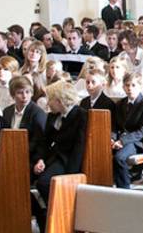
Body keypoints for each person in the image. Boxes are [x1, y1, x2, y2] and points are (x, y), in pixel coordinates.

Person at [31, 80, 88, 226]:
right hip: (51, 157)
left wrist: (71, 175)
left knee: (44, 183)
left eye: (50, 99)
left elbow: (79, 146)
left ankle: (59, 213)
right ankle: (42, 213)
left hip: (66, 160)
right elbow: (45, 141)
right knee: (22, 177)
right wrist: (40, 160)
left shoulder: (80, 115)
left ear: (59, 100)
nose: (48, 103)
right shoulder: (52, 116)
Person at [113, 73, 143, 188]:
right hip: (121, 139)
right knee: (102, 151)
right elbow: (115, 126)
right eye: (127, 85)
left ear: (140, 86)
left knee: (120, 158)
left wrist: (122, 141)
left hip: (137, 142)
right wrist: (112, 139)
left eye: (133, 85)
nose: (130, 88)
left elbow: (142, 131)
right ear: (123, 87)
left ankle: (124, 189)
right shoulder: (120, 104)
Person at [1, 76, 46, 164]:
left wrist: (18, 153)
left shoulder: (37, 113)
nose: (24, 96)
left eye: (27, 92)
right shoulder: (7, 111)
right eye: (20, 93)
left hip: (29, 156)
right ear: (13, 95)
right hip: (9, 152)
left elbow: (38, 141)